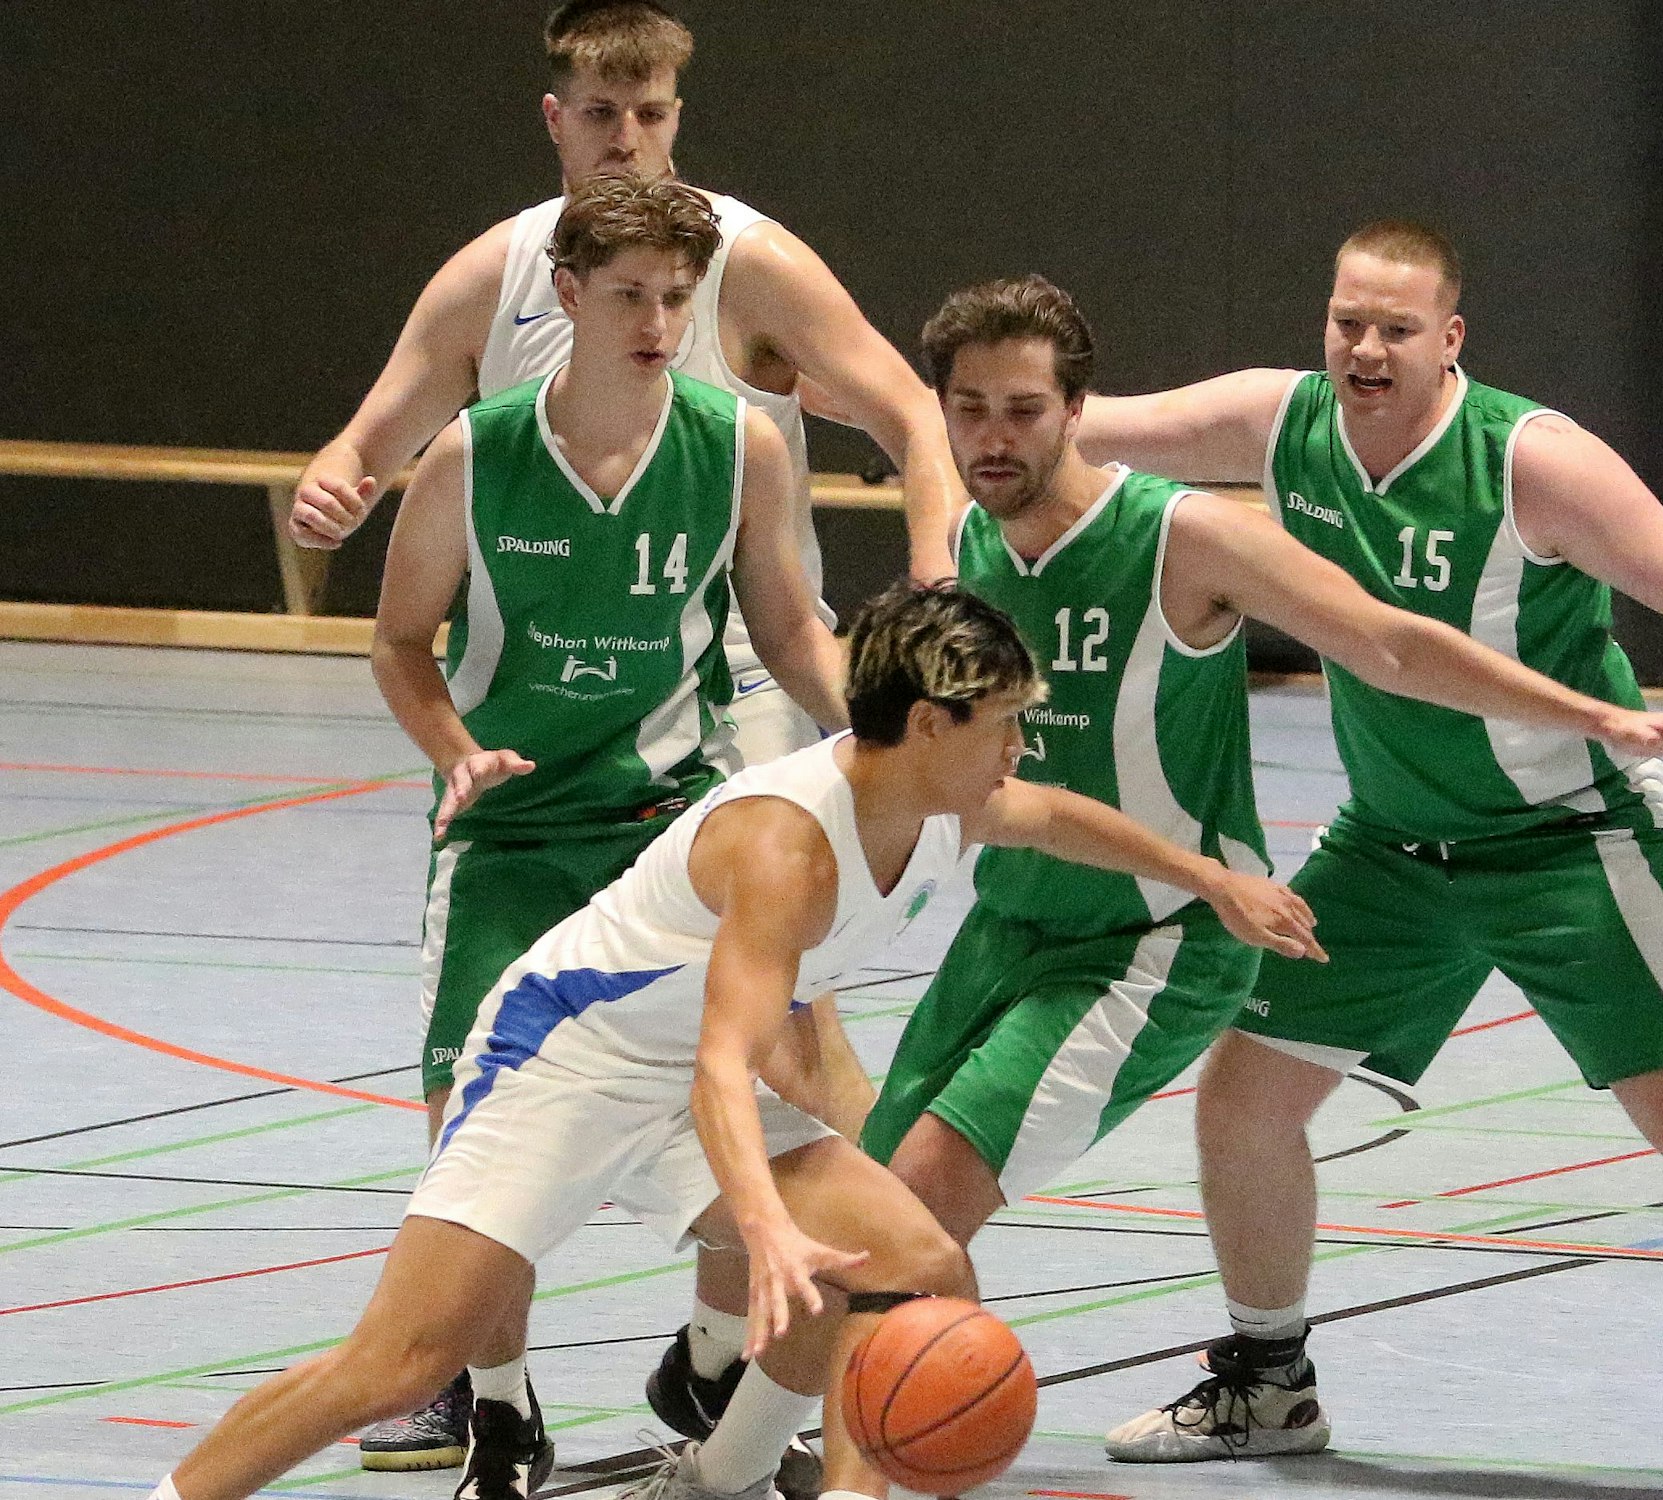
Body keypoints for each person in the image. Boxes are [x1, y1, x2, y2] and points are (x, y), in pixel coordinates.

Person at [655, 274, 1663, 1483]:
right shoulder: (963, 554)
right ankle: (735, 1446)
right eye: (967, 409)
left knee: (914, 1213)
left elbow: (1392, 642)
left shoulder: (1183, 536)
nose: (992, 435)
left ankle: (805, 1468)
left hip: (1157, 940)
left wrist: (1603, 714)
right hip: (1012, 926)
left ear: (1078, 409)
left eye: (1023, 409)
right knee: (856, 1209)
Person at [1076, 221, 1663, 1496]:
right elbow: (1073, 423)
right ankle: (1269, 1381)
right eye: (1345, 321)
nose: (1363, 348)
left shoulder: (1530, 461)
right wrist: (862, 390)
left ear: (1449, 340)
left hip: (1565, 844)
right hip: (1385, 849)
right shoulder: (1276, 422)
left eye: (1394, 328)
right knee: (1243, 1094)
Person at [144, 581, 1325, 1500]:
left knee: (910, 1265)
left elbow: (1051, 819)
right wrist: (761, 1223)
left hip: (675, 1069)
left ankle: (719, 1479)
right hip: (567, 1062)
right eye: (1008, 723)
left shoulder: (931, 797)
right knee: (399, 1364)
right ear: (927, 721)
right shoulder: (785, 846)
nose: (1022, 746)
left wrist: (1208, 878)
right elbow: (724, 1060)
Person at [299, 1, 949, 1469]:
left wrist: (922, 636)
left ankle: (744, 1353)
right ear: (557, 118)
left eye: (649, 113)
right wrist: (338, 482)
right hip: (536, 719)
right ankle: (482, 1370)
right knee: (500, 1078)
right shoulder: (499, 283)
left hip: (718, 702)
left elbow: (909, 413)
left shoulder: (749, 272)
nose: (627, 136)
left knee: (778, 1046)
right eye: (602, 113)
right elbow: (380, 437)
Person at [371, 169, 847, 1487]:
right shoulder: (475, 456)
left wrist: (883, 735)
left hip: (666, 827)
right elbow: (401, 641)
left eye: (676, 299)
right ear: (568, 296)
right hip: (510, 834)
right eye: (629, 294)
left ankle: (715, 1369)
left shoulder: (735, 445)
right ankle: (504, 1408)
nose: (655, 320)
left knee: (758, 1089)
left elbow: (794, 630)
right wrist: (453, 747)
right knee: (470, 1129)